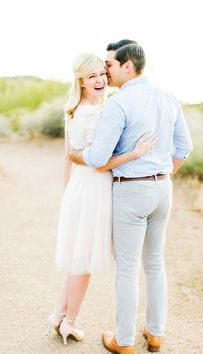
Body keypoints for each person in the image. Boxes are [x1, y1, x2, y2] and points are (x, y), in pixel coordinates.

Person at [69, 40, 193, 354]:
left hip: (131, 190)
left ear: (128, 65)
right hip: (163, 187)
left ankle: (124, 342)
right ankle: (155, 334)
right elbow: (185, 148)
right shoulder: (168, 98)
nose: (105, 73)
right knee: (155, 263)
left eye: (109, 65)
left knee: (127, 268)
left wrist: (74, 154)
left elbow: (97, 158)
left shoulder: (118, 103)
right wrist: (161, 175)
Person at [48, 52, 156, 346]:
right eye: (91, 76)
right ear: (81, 81)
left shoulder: (74, 108)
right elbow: (99, 161)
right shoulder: (94, 113)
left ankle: (59, 314)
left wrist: (69, 190)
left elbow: (69, 156)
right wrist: (136, 153)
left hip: (80, 188)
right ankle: (69, 321)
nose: (99, 80)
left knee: (77, 257)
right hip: (93, 188)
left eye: (101, 74)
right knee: (84, 261)